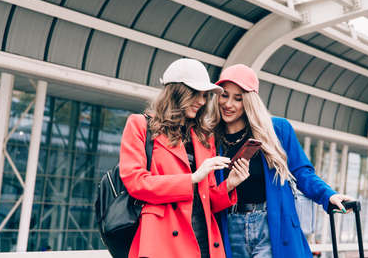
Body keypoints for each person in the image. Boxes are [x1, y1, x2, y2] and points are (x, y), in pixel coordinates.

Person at [213, 64, 353, 258]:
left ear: (249, 101)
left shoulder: (276, 130)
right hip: (230, 226)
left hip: (270, 225)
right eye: (224, 95)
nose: (228, 104)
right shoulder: (211, 138)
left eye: (238, 98)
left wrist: (327, 195)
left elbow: (302, 172)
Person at [119, 58, 250, 258]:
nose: (202, 101)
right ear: (176, 91)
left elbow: (209, 201)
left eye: (205, 95)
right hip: (162, 241)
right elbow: (136, 183)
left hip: (203, 239)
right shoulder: (140, 125)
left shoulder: (205, 136)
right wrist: (192, 178)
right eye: (195, 93)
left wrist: (230, 184)